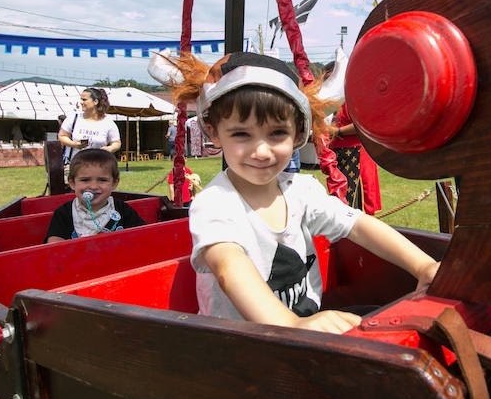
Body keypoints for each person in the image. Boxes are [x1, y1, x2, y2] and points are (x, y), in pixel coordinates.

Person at [163, 51, 440, 334]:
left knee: (394, 327)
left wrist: (424, 266)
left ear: (298, 134)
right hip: (244, 349)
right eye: (241, 134)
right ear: (214, 133)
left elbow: (358, 225)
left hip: (304, 334)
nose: (261, 151)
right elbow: (228, 266)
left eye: (277, 134)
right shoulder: (216, 204)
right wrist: (291, 323)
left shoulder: (301, 190)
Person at [44, 149, 145, 243]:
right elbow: (54, 241)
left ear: (114, 183)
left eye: (102, 180)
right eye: (85, 180)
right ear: (72, 183)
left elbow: (143, 236)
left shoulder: (123, 210)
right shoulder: (64, 213)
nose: (93, 186)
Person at [329, 102, 382, 215]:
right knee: (340, 203)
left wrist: (337, 132)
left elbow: (363, 124)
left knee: (355, 206)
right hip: (340, 155)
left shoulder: (357, 97)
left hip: (356, 155)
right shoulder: (338, 96)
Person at [58, 87, 121, 178]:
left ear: (95, 102)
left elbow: (116, 143)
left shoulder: (108, 123)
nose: (81, 102)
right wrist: (74, 144)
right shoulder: (73, 118)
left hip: (100, 168)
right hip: (75, 168)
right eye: (81, 99)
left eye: (84, 100)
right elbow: (62, 136)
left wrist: (110, 149)